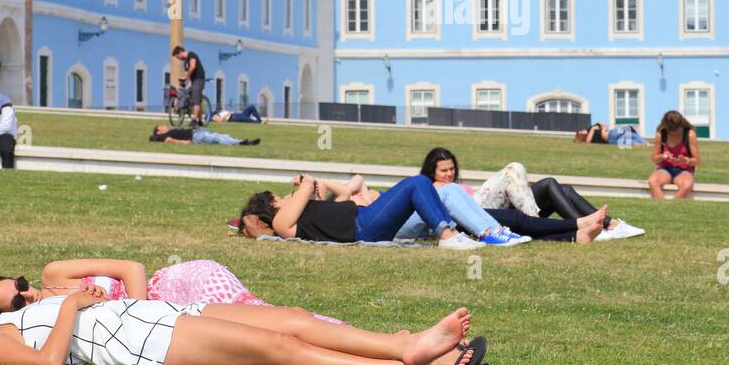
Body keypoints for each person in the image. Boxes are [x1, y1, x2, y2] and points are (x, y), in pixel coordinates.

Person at [0, 291, 502, 365]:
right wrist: (67, 305)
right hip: (141, 345)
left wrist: (61, 300)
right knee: (279, 354)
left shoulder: (6, 310)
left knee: (287, 318)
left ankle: (403, 343)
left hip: (151, 314)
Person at [0, 258, 343, 325]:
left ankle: (339, 331)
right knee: (263, 321)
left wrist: (138, 311)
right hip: (169, 317)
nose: (28, 293)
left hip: (174, 288)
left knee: (260, 312)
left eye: (20, 285)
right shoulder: (46, 321)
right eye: (17, 300)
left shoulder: (54, 273)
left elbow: (130, 268)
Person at [415, 148, 645, 242]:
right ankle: (578, 227)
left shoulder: (455, 184)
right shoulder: (432, 187)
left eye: (451, 169)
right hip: (477, 211)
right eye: (443, 170)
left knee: (553, 186)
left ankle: (608, 224)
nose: (449, 174)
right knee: (512, 170)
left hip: (495, 207)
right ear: (431, 171)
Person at [237, 174, 483, 249]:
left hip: (365, 222)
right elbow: (307, 185)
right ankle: (449, 237)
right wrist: (304, 181)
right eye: (277, 199)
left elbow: (333, 194)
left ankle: (450, 233)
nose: (283, 199)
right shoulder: (281, 222)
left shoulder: (294, 216)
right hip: (363, 225)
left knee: (418, 187)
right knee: (416, 183)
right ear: (270, 208)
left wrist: (311, 188)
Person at [648, 110, 698, 199]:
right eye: (671, 130)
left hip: (684, 170)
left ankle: (672, 206)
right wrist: (661, 156)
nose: (674, 132)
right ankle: (662, 207)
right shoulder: (661, 134)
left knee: (686, 185)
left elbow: (696, 161)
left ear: (681, 125)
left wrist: (686, 160)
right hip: (665, 169)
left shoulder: (689, 134)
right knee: (652, 181)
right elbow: (654, 158)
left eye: (676, 129)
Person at [171, 45, 207, 126]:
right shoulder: (185, 62)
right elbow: (187, 72)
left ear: (180, 53)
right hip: (193, 80)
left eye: (178, 57)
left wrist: (186, 77)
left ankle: (194, 120)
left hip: (199, 79)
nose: (178, 59)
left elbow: (193, 66)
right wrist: (183, 80)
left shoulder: (191, 55)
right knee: (192, 96)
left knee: (196, 100)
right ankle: (200, 120)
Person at [150, 124, 259, 147]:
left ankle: (240, 141)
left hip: (197, 132)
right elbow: (169, 140)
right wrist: (186, 142)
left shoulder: (169, 132)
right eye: (162, 126)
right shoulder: (163, 136)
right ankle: (240, 143)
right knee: (216, 138)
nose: (165, 126)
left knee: (221, 136)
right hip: (195, 136)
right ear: (158, 131)